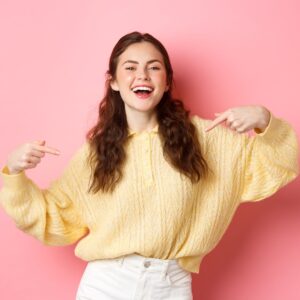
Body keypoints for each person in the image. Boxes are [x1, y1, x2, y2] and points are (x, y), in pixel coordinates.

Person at [0, 31, 299, 300]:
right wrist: (14, 174)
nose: (142, 75)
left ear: (166, 81)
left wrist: (264, 120)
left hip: (171, 286)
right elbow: (52, 218)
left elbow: (280, 163)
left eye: (153, 67)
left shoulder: (208, 140)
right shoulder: (94, 155)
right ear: (114, 82)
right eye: (130, 68)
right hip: (105, 286)